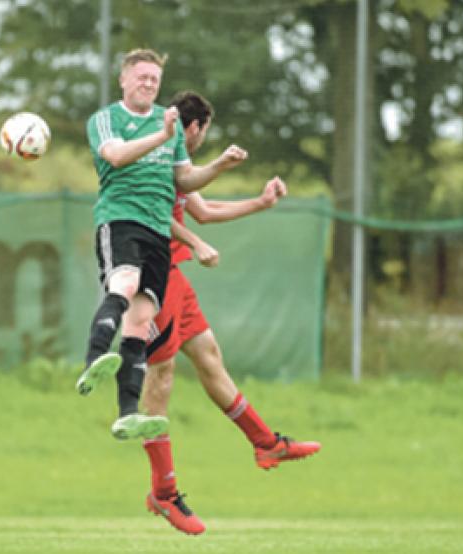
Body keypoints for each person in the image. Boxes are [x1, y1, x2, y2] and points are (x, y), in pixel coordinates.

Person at [140, 90, 321, 535]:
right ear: (196, 128)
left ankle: (266, 444)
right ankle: (163, 493)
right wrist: (198, 243)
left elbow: (199, 209)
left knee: (209, 358)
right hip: (152, 274)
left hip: (176, 279)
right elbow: (149, 212)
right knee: (160, 379)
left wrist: (260, 204)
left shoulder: (178, 163)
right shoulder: (157, 155)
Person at [76, 49, 248, 441]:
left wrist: (220, 164)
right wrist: (162, 135)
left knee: (140, 321)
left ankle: (127, 413)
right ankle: (94, 355)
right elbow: (116, 156)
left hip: (157, 231)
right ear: (124, 79)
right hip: (121, 219)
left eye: (154, 79)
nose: (148, 84)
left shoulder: (165, 123)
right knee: (124, 283)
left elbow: (184, 180)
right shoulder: (107, 119)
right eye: (141, 77)